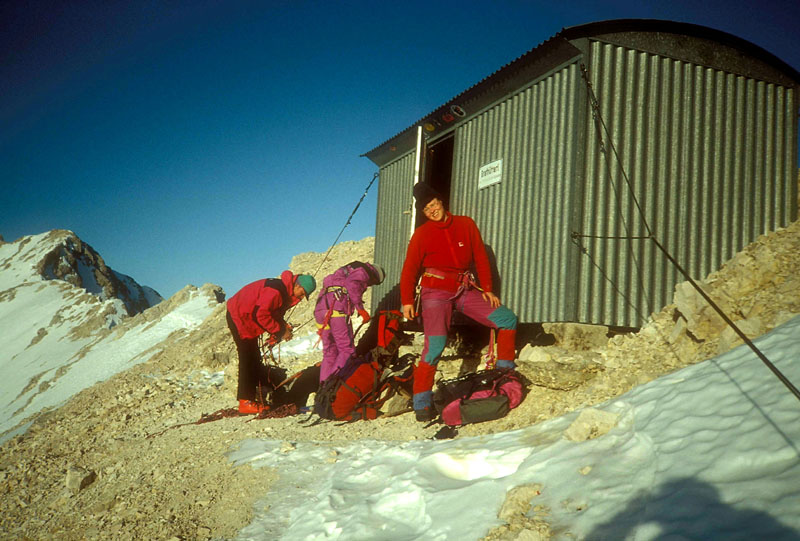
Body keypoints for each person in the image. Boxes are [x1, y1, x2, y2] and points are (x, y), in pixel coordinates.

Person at [400, 182, 518, 422]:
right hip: (435, 292)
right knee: (435, 346)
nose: (432, 210)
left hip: (463, 288)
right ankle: (421, 403)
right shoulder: (422, 234)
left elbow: (480, 257)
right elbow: (409, 270)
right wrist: (407, 300)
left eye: (433, 204)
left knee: (507, 319)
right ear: (423, 213)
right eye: (426, 209)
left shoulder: (466, 224)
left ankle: (505, 375)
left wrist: (488, 289)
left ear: (441, 201)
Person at [226, 270, 316, 413]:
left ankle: (256, 396)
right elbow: (260, 314)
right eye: (303, 293)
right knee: (247, 357)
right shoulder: (276, 291)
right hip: (239, 316)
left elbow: (273, 312)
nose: (302, 297)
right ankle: (245, 401)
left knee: (254, 357)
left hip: (246, 316)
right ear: (298, 286)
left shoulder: (283, 291)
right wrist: (280, 331)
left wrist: (281, 327)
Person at [314, 261, 386, 382]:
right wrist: (360, 309)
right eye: (372, 283)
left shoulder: (346, 270)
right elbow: (352, 284)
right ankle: (332, 386)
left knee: (329, 353)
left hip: (320, 310)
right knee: (346, 350)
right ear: (375, 277)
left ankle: (323, 386)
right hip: (336, 311)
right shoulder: (364, 272)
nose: (369, 286)